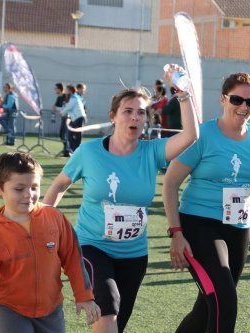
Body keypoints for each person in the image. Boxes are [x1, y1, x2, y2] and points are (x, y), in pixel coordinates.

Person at [43, 64, 198, 332]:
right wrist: (43, 223)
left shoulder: (152, 152)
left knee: (116, 322)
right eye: (128, 111)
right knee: (109, 303)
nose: (135, 118)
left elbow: (191, 136)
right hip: (92, 247)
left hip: (134, 255)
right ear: (113, 117)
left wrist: (183, 93)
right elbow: (58, 186)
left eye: (141, 113)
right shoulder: (89, 152)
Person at [162, 72, 250, 333]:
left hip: (239, 227)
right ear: (223, 99)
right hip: (199, 225)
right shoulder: (202, 135)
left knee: (208, 307)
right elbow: (170, 183)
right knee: (225, 301)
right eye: (237, 100)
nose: (244, 107)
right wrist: (176, 232)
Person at [0, 152, 101, 333]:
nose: (28, 195)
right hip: (9, 310)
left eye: (34, 187)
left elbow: (73, 258)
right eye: (19, 189)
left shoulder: (55, 218)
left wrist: (84, 296)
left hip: (51, 309)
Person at [59, 84, 86, 156]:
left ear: (70, 91)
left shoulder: (74, 98)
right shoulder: (73, 97)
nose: (65, 91)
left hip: (79, 119)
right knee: (74, 138)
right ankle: (78, 153)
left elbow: (69, 108)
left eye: (66, 90)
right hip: (77, 119)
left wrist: (61, 112)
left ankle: (78, 153)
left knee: (71, 137)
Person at [52, 83, 68, 155]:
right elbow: (54, 107)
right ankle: (66, 149)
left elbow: (65, 108)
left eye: (56, 88)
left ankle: (67, 150)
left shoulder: (66, 96)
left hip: (68, 118)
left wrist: (58, 109)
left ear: (59, 88)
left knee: (65, 135)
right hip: (63, 118)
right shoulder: (59, 97)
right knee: (61, 135)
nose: (55, 90)